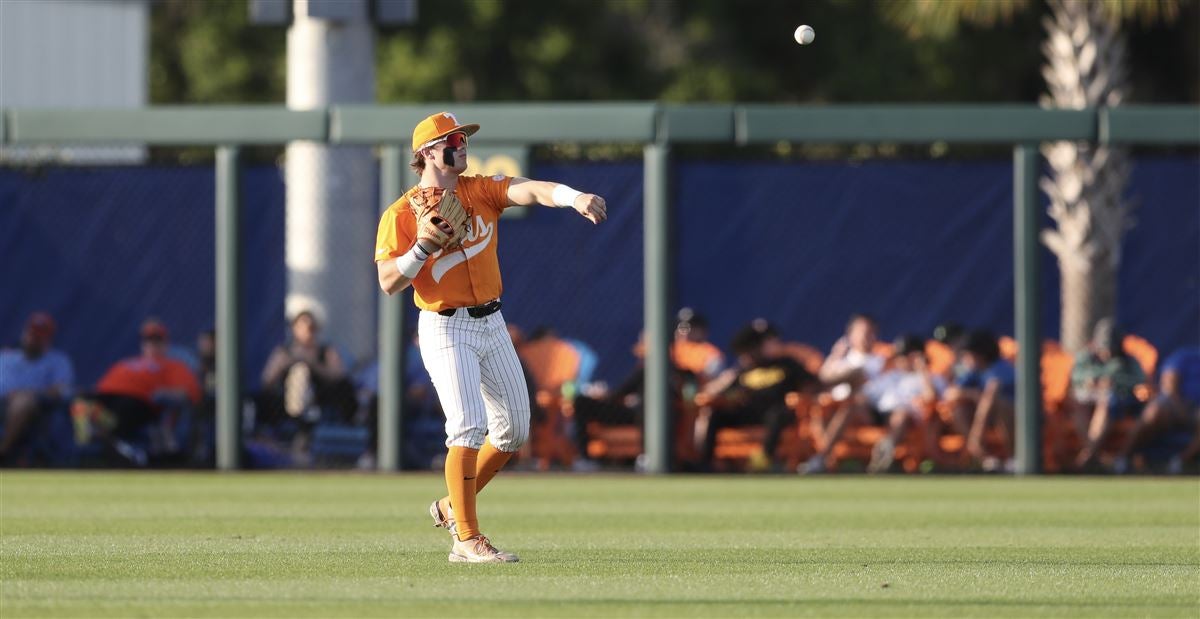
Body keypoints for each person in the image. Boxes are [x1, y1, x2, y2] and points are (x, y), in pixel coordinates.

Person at [374, 111, 606, 563]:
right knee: (466, 426)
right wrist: (422, 247)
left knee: (514, 430)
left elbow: (533, 189)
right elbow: (387, 281)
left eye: (462, 138)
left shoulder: (479, 189)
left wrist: (574, 197)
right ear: (425, 154)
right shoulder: (402, 213)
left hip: (492, 322)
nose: (461, 145)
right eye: (451, 140)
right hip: (445, 325)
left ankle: (449, 507)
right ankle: (466, 538)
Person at [72, 319, 201, 466]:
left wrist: (165, 394)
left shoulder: (173, 366)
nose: (152, 345)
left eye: (157, 340)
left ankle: (112, 439)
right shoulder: (126, 363)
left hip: (140, 403)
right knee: (82, 401)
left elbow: (188, 393)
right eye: (148, 340)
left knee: (124, 408)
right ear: (142, 344)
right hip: (110, 401)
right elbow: (102, 389)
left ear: (165, 344)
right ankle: (94, 436)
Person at [696, 319, 819, 473]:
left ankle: (764, 458)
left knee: (778, 414)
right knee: (716, 414)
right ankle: (706, 462)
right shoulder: (744, 369)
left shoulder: (787, 363)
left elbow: (813, 384)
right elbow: (718, 392)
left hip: (777, 413)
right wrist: (727, 381)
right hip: (750, 412)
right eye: (762, 342)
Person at [257, 310, 358, 452]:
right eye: (302, 327)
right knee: (299, 372)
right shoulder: (284, 352)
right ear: (294, 329)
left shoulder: (325, 351)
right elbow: (267, 381)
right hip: (287, 405)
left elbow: (339, 376)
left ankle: (306, 430)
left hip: (321, 400)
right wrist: (287, 363)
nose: (307, 332)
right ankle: (298, 428)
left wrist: (312, 363)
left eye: (311, 328)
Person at [805, 313, 886, 474]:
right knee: (820, 409)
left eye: (870, 332)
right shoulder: (841, 360)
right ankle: (828, 459)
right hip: (833, 407)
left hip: (865, 410)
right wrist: (836, 355)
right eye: (862, 332)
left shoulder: (882, 361)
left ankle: (822, 456)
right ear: (850, 335)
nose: (866, 337)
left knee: (851, 401)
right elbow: (825, 379)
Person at [1066, 318, 1146, 471]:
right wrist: (1091, 380)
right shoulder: (1086, 358)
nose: (1108, 352)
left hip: (1117, 403)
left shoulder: (1127, 361)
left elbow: (1139, 382)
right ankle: (1094, 455)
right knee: (1077, 405)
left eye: (1111, 347)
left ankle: (1087, 456)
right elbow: (1076, 376)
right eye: (1104, 347)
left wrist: (1114, 381)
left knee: (1106, 403)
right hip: (1088, 399)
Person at [0, 312, 75, 465]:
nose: (33, 339)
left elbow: (62, 390)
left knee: (22, 402)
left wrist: (27, 394)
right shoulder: (6, 356)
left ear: (48, 339)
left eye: (39, 336)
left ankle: (3, 452)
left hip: (31, 408)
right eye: (32, 333)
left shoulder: (58, 361)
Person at [1112, 346, 1200, 474]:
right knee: (1154, 411)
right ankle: (1122, 458)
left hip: (1196, 413)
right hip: (1175, 407)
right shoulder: (1184, 357)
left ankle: (1180, 461)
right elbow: (1169, 383)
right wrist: (1180, 407)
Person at [865, 334, 945, 473]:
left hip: (920, 422)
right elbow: (868, 396)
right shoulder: (890, 376)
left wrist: (923, 370)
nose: (902, 360)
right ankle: (886, 449)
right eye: (900, 357)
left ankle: (886, 448)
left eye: (907, 356)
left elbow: (932, 397)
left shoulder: (933, 378)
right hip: (883, 417)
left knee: (902, 414)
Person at [943, 329, 1016, 469]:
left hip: (1017, 417)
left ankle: (1014, 458)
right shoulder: (974, 371)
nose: (964, 359)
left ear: (980, 355)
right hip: (988, 417)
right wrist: (973, 395)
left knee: (1000, 406)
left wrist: (977, 434)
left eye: (967, 355)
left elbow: (990, 397)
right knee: (959, 410)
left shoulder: (1001, 368)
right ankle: (986, 459)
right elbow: (950, 393)